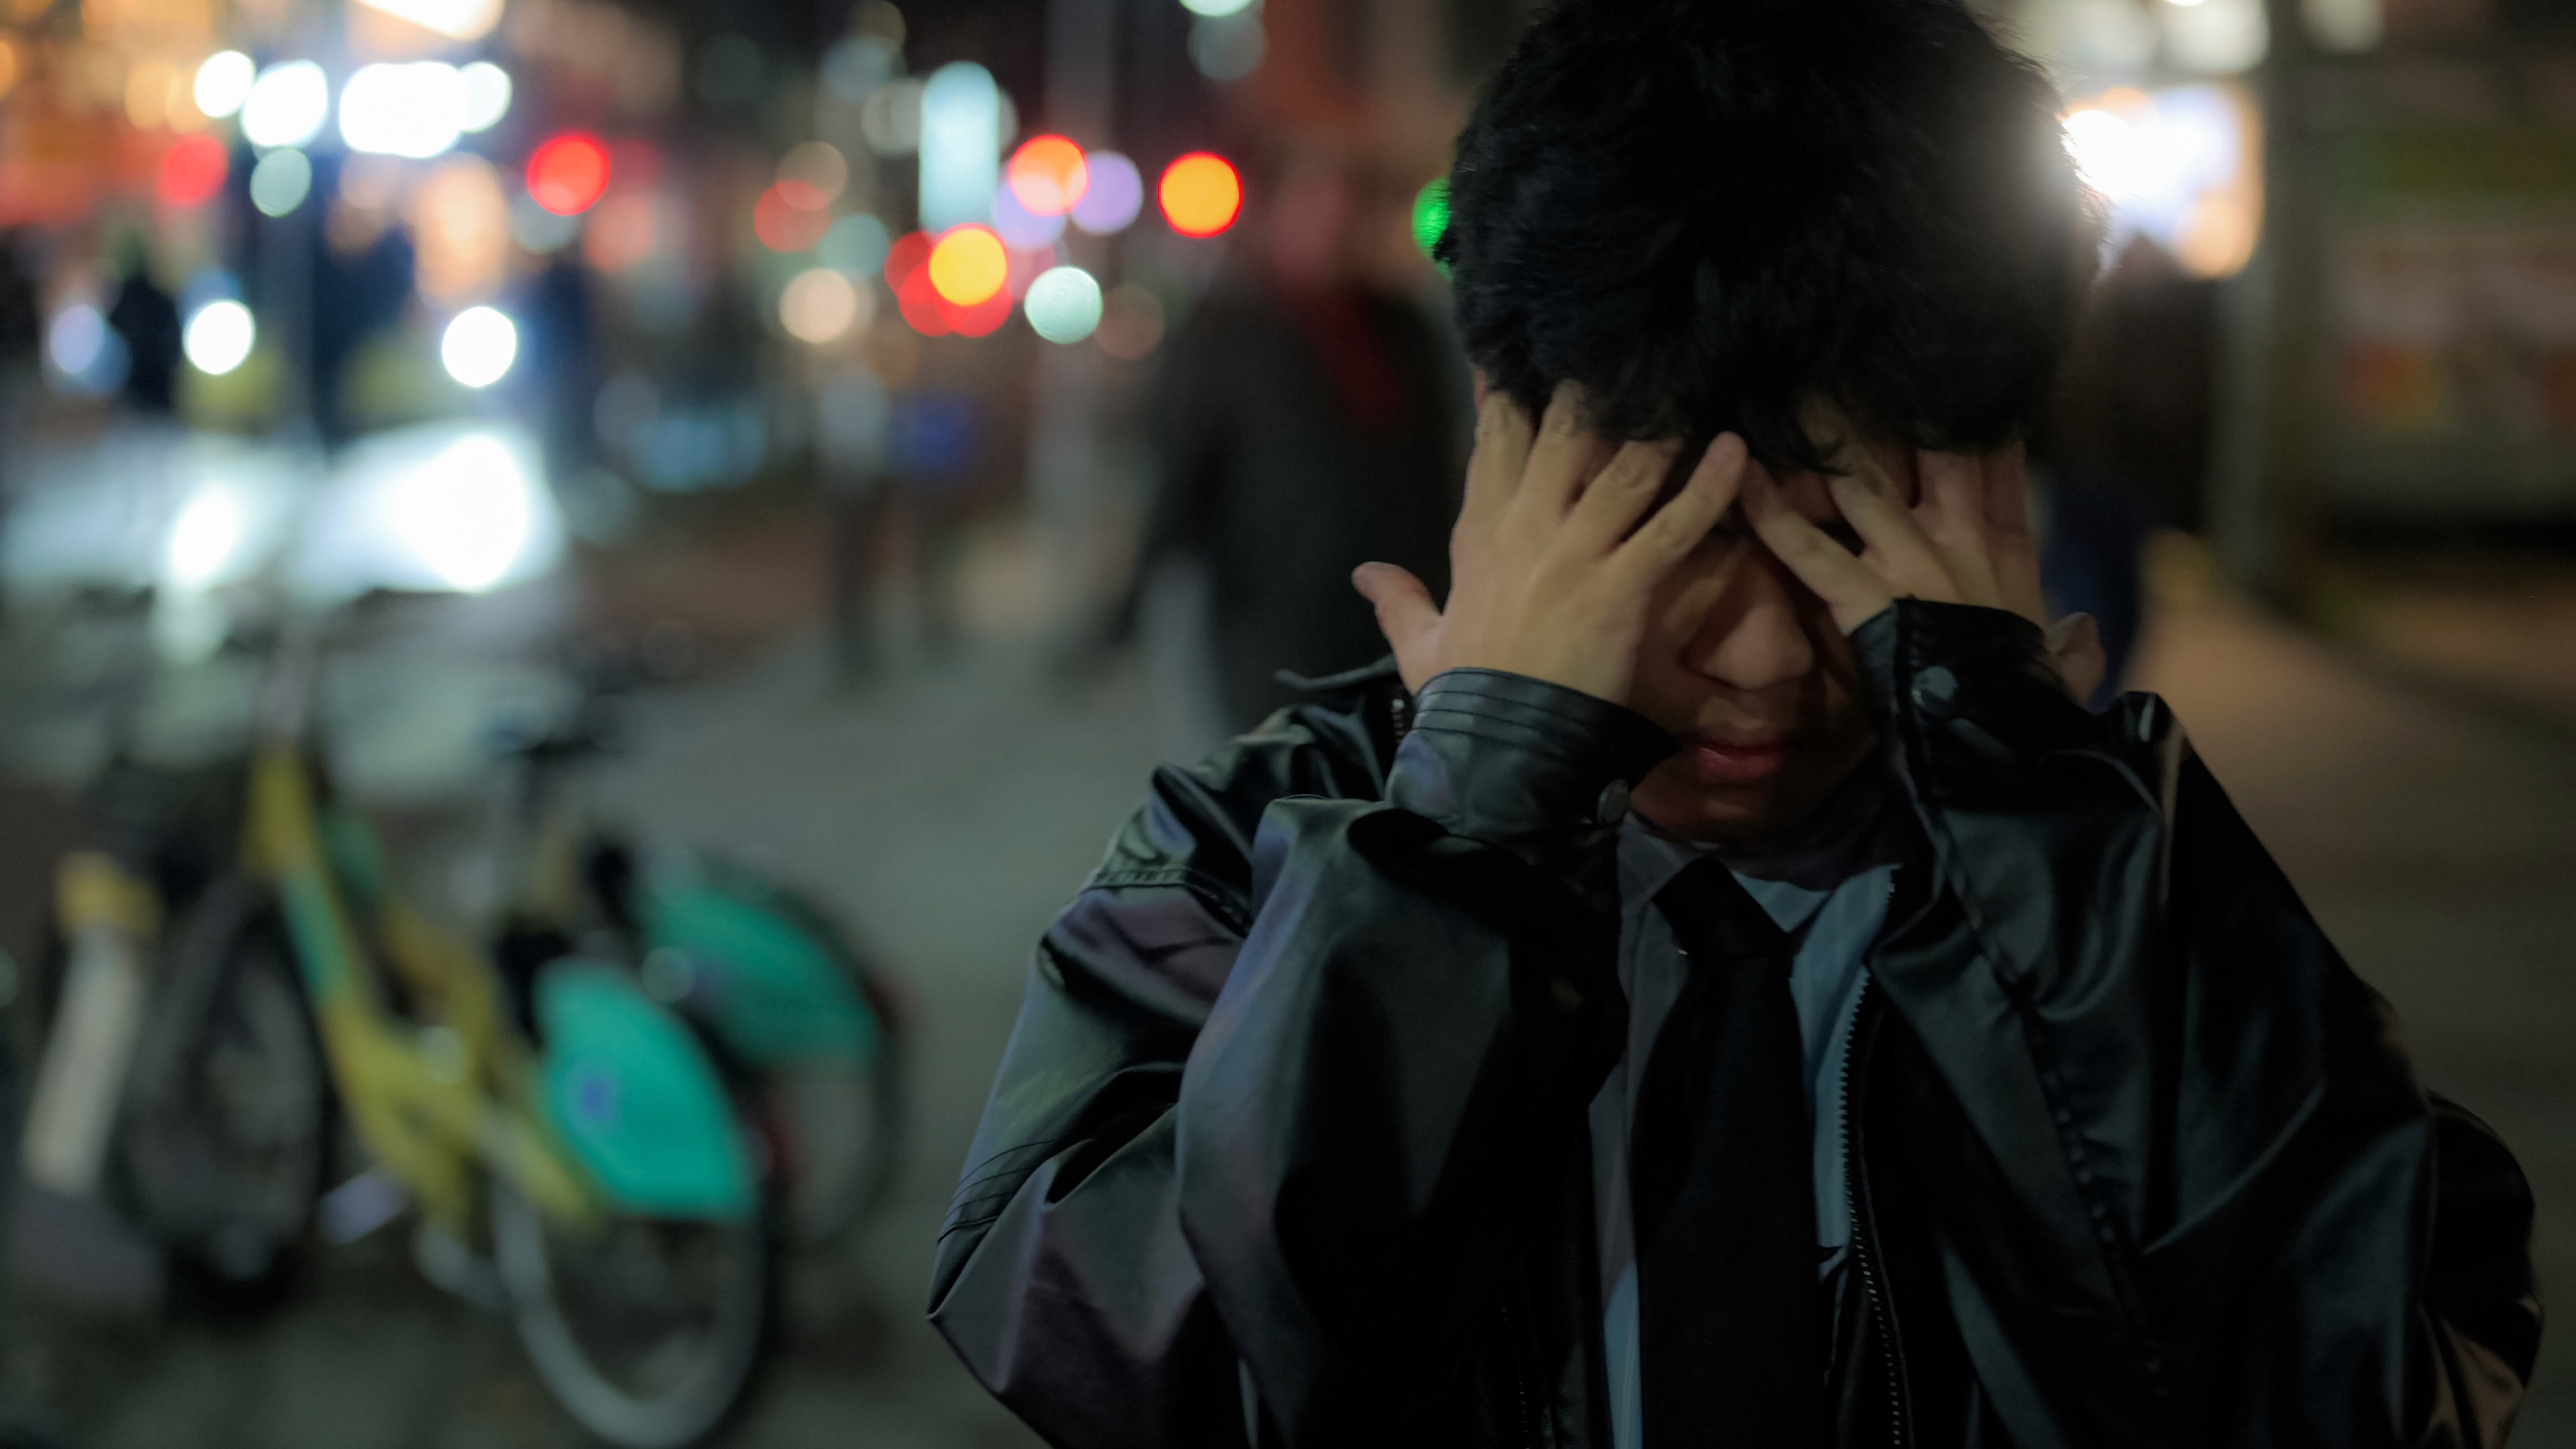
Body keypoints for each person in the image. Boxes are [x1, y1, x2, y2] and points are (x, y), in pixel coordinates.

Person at [929, 0, 2541, 1444]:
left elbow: (2364, 1384)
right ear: (1507, 452)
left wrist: (2030, 833)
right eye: (1675, 543)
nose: (1766, 657)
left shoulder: (2117, 876)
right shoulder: (1263, 850)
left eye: (1838, 540)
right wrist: (1469, 830)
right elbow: (1130, 1351)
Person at [1116, 136, 1462, 735]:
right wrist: (1126, 605)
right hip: (1275, 624)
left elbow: (1439, 460)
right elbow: (1184, 473)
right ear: (1280, 209)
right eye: (1317, 200)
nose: (1334, 220)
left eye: (1349, 204)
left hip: (1397, 615)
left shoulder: (1404, 328)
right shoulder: (1227, 331)